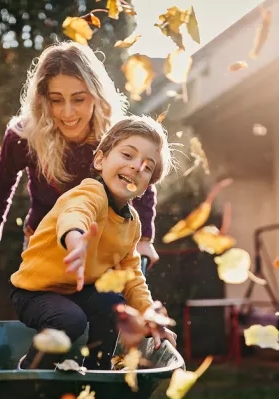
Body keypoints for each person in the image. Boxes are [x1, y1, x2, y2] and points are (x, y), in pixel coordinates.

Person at [0, 41, 161, 273]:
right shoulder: (25, 136)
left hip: (102, 246)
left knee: (104, 309)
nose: (67, 112)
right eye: (56, 100)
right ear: (43, 99)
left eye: (78, 99)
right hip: (43, 244)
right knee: (47, 309)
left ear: (96, 95)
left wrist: (144, 240)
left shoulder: (116, 138)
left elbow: (139, 181)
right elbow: (0, 185)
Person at [9, 115, 177, 371]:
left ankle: (98, 371)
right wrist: (76, 240)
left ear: (145, 187)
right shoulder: (90, 192)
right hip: (35, 291)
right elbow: (76, 213)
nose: (135, 167)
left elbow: (131, 276)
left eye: (147, 167)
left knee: (114, 306)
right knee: (70, 320)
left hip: (77, 290)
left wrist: (151, 318)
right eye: (128, 155)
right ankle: (32, 369)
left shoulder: (131, 224)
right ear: (100, 160)